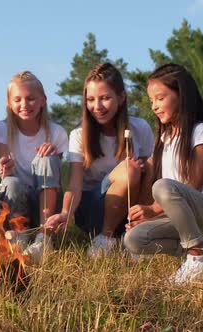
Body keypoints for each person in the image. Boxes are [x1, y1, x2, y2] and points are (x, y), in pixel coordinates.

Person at [123, 63, 203, 284]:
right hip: (182, 216)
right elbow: (173, 200)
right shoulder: (165, 138)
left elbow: (193, 185)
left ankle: (198, 258)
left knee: (161, 186)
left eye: (160, 98)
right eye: (151, 101)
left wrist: (151, 209)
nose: (154, 107)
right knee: (134, 238)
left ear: (181, 95)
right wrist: (147, 217)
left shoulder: (200, 130)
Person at [45, 63, 154, 257]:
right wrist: (64, 213)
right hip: (92, 209)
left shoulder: (140, 128)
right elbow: (75, 185)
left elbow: (150, 176)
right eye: (91, 99)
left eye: (105, 98)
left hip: (129, 209)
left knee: (140, 170)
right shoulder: (79, 135)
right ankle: (104, 239)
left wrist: (145, 215)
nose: (97, 107)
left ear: (121, 98)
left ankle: (136, 235)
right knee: (129, 168)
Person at [0, 70, 68, 263]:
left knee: (46, 158)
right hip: (16, 202)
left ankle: (44, 237)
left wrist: (54, 153)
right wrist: (4, 170)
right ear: (9, 102)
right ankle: (18, 234)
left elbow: (55, 176)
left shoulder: (57, 132)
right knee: (11, 182)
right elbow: (7, 176)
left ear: (43, 100)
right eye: (17, 100)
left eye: (31, 98)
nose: (24, 105)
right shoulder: (1, 129)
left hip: (45, 203)